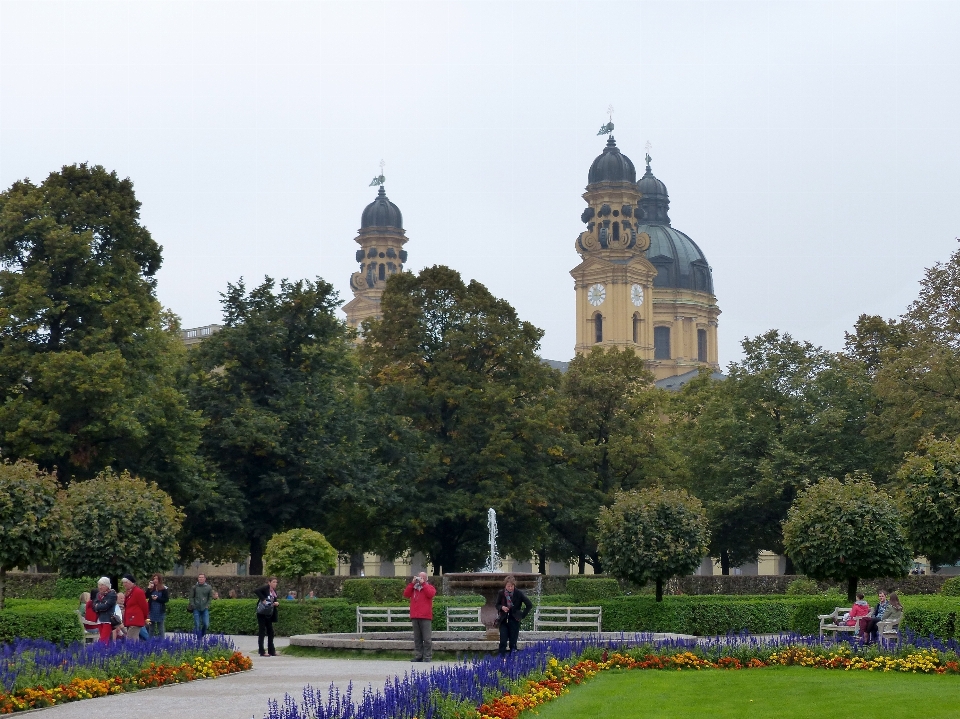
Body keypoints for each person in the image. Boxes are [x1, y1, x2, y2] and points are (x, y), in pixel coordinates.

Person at [495, 575, 532, 658]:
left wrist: (522, 615)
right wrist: (502, 607)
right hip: (504, 620)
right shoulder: (501, 593)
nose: (510, 588)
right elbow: (497, 605)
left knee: (513, 643)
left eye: (512, 586)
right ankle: (501, 660)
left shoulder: (518, 593)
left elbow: (529, 605)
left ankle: (512, 660)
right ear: (505, 586)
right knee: (503, 641)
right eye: (508, 586)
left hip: (514, 620)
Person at [403, 572, 436, 662]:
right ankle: (418, 656)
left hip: (425, 616)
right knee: (417, 638)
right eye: (419, 577)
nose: (419, 579)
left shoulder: (429, 587)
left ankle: (428, 657)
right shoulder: (413, 589)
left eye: (422, 577)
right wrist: (412, 583)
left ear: (426, 579)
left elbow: (430, 594)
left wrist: (424, 584)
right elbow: (406, 594)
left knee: (427, 638)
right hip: (415, 615)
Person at [253, 576, 280, 657]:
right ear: (269, 582)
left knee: (270, 632)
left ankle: (271, 650)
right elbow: (256, 591)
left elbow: (273, 600)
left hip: (269, 613)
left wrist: (276, 603)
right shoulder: (266, 588)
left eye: (276, 582)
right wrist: (263, 600)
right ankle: (261, 651)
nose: (275, 584)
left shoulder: (273, 591)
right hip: (262, 613)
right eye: (273, 582)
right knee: (262, 631)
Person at [121, 574, 148, 641]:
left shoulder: (138, 592)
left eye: (126, 582)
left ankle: (132, 651)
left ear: (131, 582)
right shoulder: (128, 592)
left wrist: (145, 617)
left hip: (135, 620)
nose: (124, 584)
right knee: (133, 639)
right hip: (130, 620)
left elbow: (144, 606)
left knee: (130, 639)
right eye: (123, 583)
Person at [189, 573, 215, 638]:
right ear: (198, 578)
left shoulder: (208, 587)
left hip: (205, 608)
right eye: (199, 577)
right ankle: (198, 639)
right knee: (197, 625)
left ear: (205, 579)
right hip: (196, 608)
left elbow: (210, 597)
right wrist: (193, 604)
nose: (201, 578)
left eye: (202, 577)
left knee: (206, 624)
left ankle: (202, 634)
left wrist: (208, 604)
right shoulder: (194, 587)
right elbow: (191, 597)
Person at [92, 578, 117, 643]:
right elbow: (94, 605)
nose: (100, 587)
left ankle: (99, 650)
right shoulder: (98, 594)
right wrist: (100, 605)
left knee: (103, 639)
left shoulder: (112, 594)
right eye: (99, 585)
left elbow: (106, 606)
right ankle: (107, 652)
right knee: (105, 639)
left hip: (107, 619)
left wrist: (98, 606)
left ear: (107, 585)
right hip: (99, 619)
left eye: (102, 585)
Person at [146, 574, 170, 639]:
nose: (155, 580)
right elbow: (145, 596)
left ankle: (162, 642)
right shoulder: (151, 588)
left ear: (159, 580)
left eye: (156, 579)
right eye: (154, 579)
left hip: (160, 610)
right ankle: (150, 641)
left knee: (160, 627)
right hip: (151, 610)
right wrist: (148, 588)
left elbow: (166, 599)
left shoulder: (163, 588)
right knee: (151, 627)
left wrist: (157, 599)